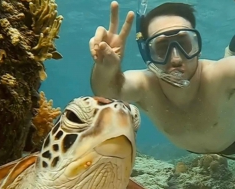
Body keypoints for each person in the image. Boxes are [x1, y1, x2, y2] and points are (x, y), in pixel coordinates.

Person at [89, 1, 235, 158]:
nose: (175, 58)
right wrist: (106, 69)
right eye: (162, 48)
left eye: (184, 44)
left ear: (197, 48)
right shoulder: (145, 86)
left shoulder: (222, 74)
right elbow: (108, 93)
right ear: (148, 55)